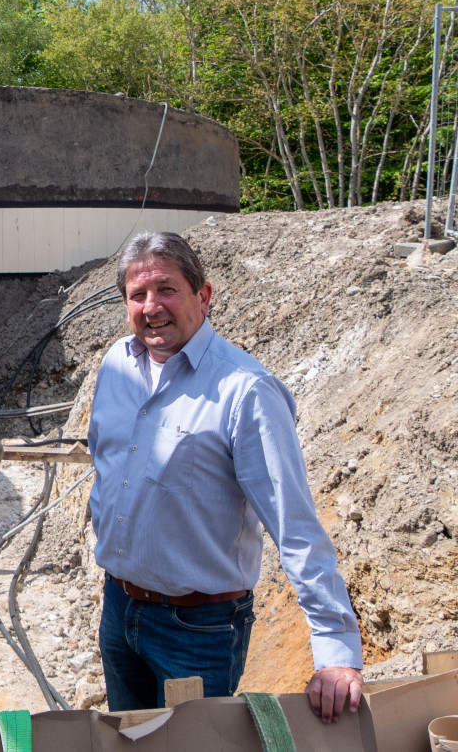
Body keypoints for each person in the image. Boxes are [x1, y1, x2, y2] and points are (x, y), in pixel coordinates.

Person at [87, 231, 363, 722]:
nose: (152, 307)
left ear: (204, 296)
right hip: (119, 608)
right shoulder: (116, 366)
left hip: (197, 629)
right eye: (137, 295)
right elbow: (109, 471)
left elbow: (293, 523)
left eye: (166, 289)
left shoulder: (245, 391)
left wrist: (336, 651)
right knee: (125, 743)